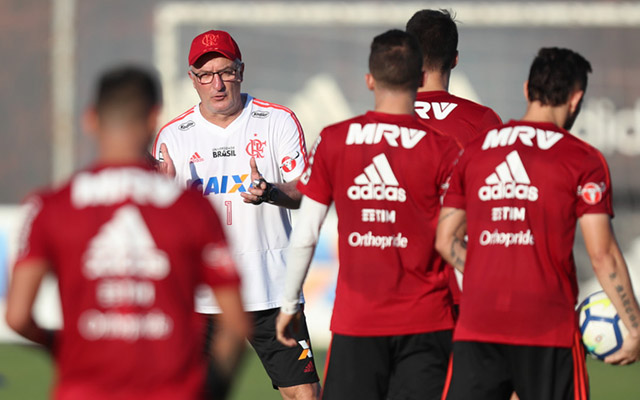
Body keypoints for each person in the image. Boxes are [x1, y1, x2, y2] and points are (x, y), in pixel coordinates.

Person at [4, 66, 249, 400]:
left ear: (91, 120)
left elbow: (17, 316)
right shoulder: (192, 208)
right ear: (153, 119)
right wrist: (210, 390)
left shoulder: (49, 206)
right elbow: (236, 323)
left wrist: (62, 345)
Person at [436, 47, 640, 400]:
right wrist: (635, 328)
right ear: (576, 99)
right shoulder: (582, 158)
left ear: (527, 88)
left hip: (478, 323)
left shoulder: (478, 149)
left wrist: (487, 273)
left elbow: (445, 239)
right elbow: (602, 254)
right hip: (547, 327)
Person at [275, 29, 460, 400]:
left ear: (370, 80)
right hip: (427, 322)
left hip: (358, 324)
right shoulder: (444, 149)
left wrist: (290, 303)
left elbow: (307, 231)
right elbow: (455, 240)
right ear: (421, 78)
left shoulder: (334, 139)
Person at [153, 30, 320, 400]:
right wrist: (160, 197)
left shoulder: (276, 121)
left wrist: (271, 192)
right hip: (204, 295)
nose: (217, 84)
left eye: (225, 72)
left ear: (241, 71)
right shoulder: (173, 136)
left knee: (305, 394)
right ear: (192, 79)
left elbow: (303, 194)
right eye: (205, 75)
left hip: (272, 288)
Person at [406, 8, 503, 315]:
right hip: (460, 286)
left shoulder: (381, 123)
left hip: (394, 285)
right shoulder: (483, 121)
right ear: (455, 59)